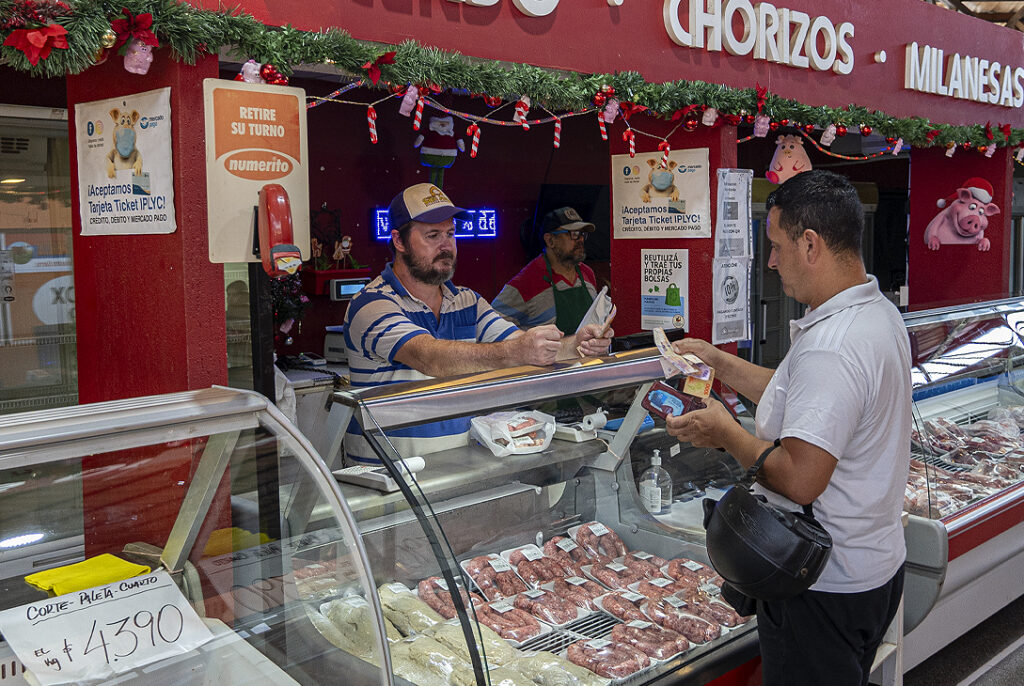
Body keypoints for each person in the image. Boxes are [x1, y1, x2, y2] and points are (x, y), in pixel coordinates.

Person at [665, 170, 910, 686]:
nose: (771, 261)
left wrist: (725, 433)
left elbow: (801, 479)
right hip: (874, 567)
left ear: (811, 244)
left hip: (821, 586)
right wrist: (719, 362)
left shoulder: (832, 346)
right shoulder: (875, 312)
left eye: (776, 246)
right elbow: (808, 399)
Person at [343, 184, 613, 464]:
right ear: (399, 241)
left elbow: (524, 347)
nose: (446, 246)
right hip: (388, 480)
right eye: (432, 235)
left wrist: (578, 345)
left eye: (450, 234)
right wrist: (515, 352)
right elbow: (430, 358)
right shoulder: (372, 304)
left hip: (457, 469)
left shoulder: (467, 302)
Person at [491, 206, 600, 332]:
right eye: (573, 234)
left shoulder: (587, 274)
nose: (580, 239)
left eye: (582, 234)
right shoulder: (525, 283)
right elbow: (490, 328)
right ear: (550, 240)